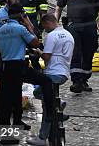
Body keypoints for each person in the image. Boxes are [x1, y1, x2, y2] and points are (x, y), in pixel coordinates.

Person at [0, 3, 46, 144]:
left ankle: (14, 123)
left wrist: (1, 68)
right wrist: (29, 25)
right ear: (20, 16)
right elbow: (36, 43)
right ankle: (6, 138)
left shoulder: (0, 30)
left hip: (5, 67)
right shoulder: (20, 29)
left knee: (9, 97)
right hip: (17, 66)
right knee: (43, 81)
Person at [55, 0, 99, 93]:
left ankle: (84, 80)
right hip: (73, 25)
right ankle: (76, 81)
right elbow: (59, 7)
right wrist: (56, 22)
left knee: (89, 51)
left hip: (89, 25)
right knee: (76, 51)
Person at [26, 14, 74, 146]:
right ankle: (58, 103)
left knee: (48, 106)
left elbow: (46, 57)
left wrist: (38, 52)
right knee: (40, 95)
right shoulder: (68, 34)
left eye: (44, 26)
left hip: (52, 73)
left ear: (48, 22)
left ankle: (42, 138)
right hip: (64, 73)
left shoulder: (51, 36)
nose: (44, 29)